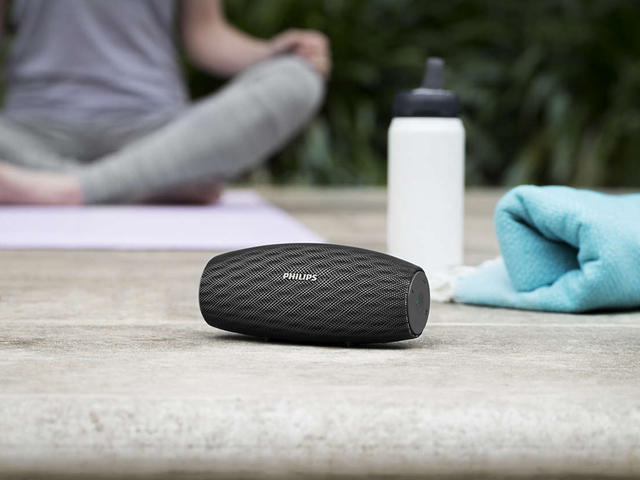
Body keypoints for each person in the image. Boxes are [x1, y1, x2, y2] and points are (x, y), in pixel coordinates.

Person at [0, 0, 330, 204]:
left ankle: (62, 189)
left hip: (155, 131)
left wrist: (271, 52)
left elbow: (206, 36)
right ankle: (148, 182)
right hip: (29, 133)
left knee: (296, 78)